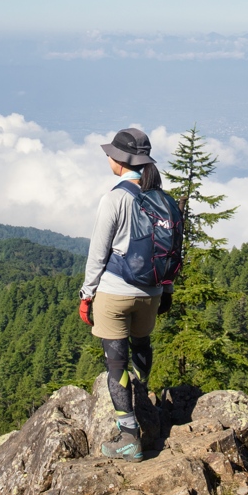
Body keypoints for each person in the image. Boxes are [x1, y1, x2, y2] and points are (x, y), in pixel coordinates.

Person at [79, 128, 174, 462]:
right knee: (142, 345)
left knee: (115, 361)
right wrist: (166, 290)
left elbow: (98, 253)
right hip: (151, 293)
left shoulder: (116, 197)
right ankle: (144, 396)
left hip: (115, 293)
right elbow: (171, 252)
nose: (108, 158)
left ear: (120, 161)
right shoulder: (164, 200)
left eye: (110, 154)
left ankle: (130, 437)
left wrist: (86, 294)